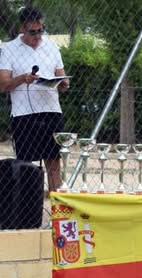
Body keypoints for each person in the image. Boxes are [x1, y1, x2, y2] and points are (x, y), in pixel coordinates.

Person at [0, 7, 69, 192]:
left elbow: (61, 76)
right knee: (26, 166)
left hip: (51, 111)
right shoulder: (8, 49)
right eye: (32, 32)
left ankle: (57, 213)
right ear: (22, 28)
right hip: (24, 114)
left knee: (54, 163)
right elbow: (3, 84)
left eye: (41, 30)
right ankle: (27, 213)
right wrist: (23, 78)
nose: (38, 36)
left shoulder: (52, 46)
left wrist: (63, 83)